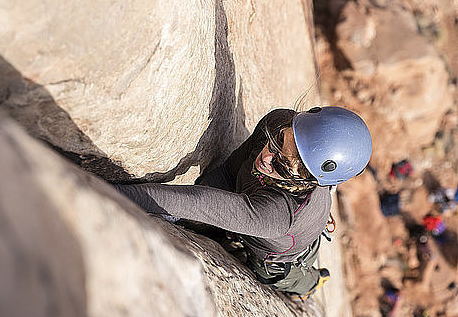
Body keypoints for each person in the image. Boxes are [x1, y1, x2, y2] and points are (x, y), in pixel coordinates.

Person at [114, 106, 372, 300]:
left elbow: (190, 203)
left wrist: (109, 192)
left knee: (287, 277)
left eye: (282, 164)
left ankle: (312, 284)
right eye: (277, 140)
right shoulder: (279, 120)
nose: (267, 156)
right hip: (279, 223)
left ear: (308, 180)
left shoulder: (277, 215)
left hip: (277, 259)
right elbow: (230, 171)